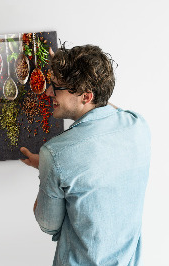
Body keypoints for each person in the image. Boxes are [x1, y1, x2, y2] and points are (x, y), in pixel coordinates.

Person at [20, 44, 150, 265]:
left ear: (86, 96)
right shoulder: (138, 126)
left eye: (57, 87)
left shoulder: (55, 154)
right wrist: (69, 72)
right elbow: (104, 107)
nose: (49, 92)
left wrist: (48, 170)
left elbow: (48, 225)